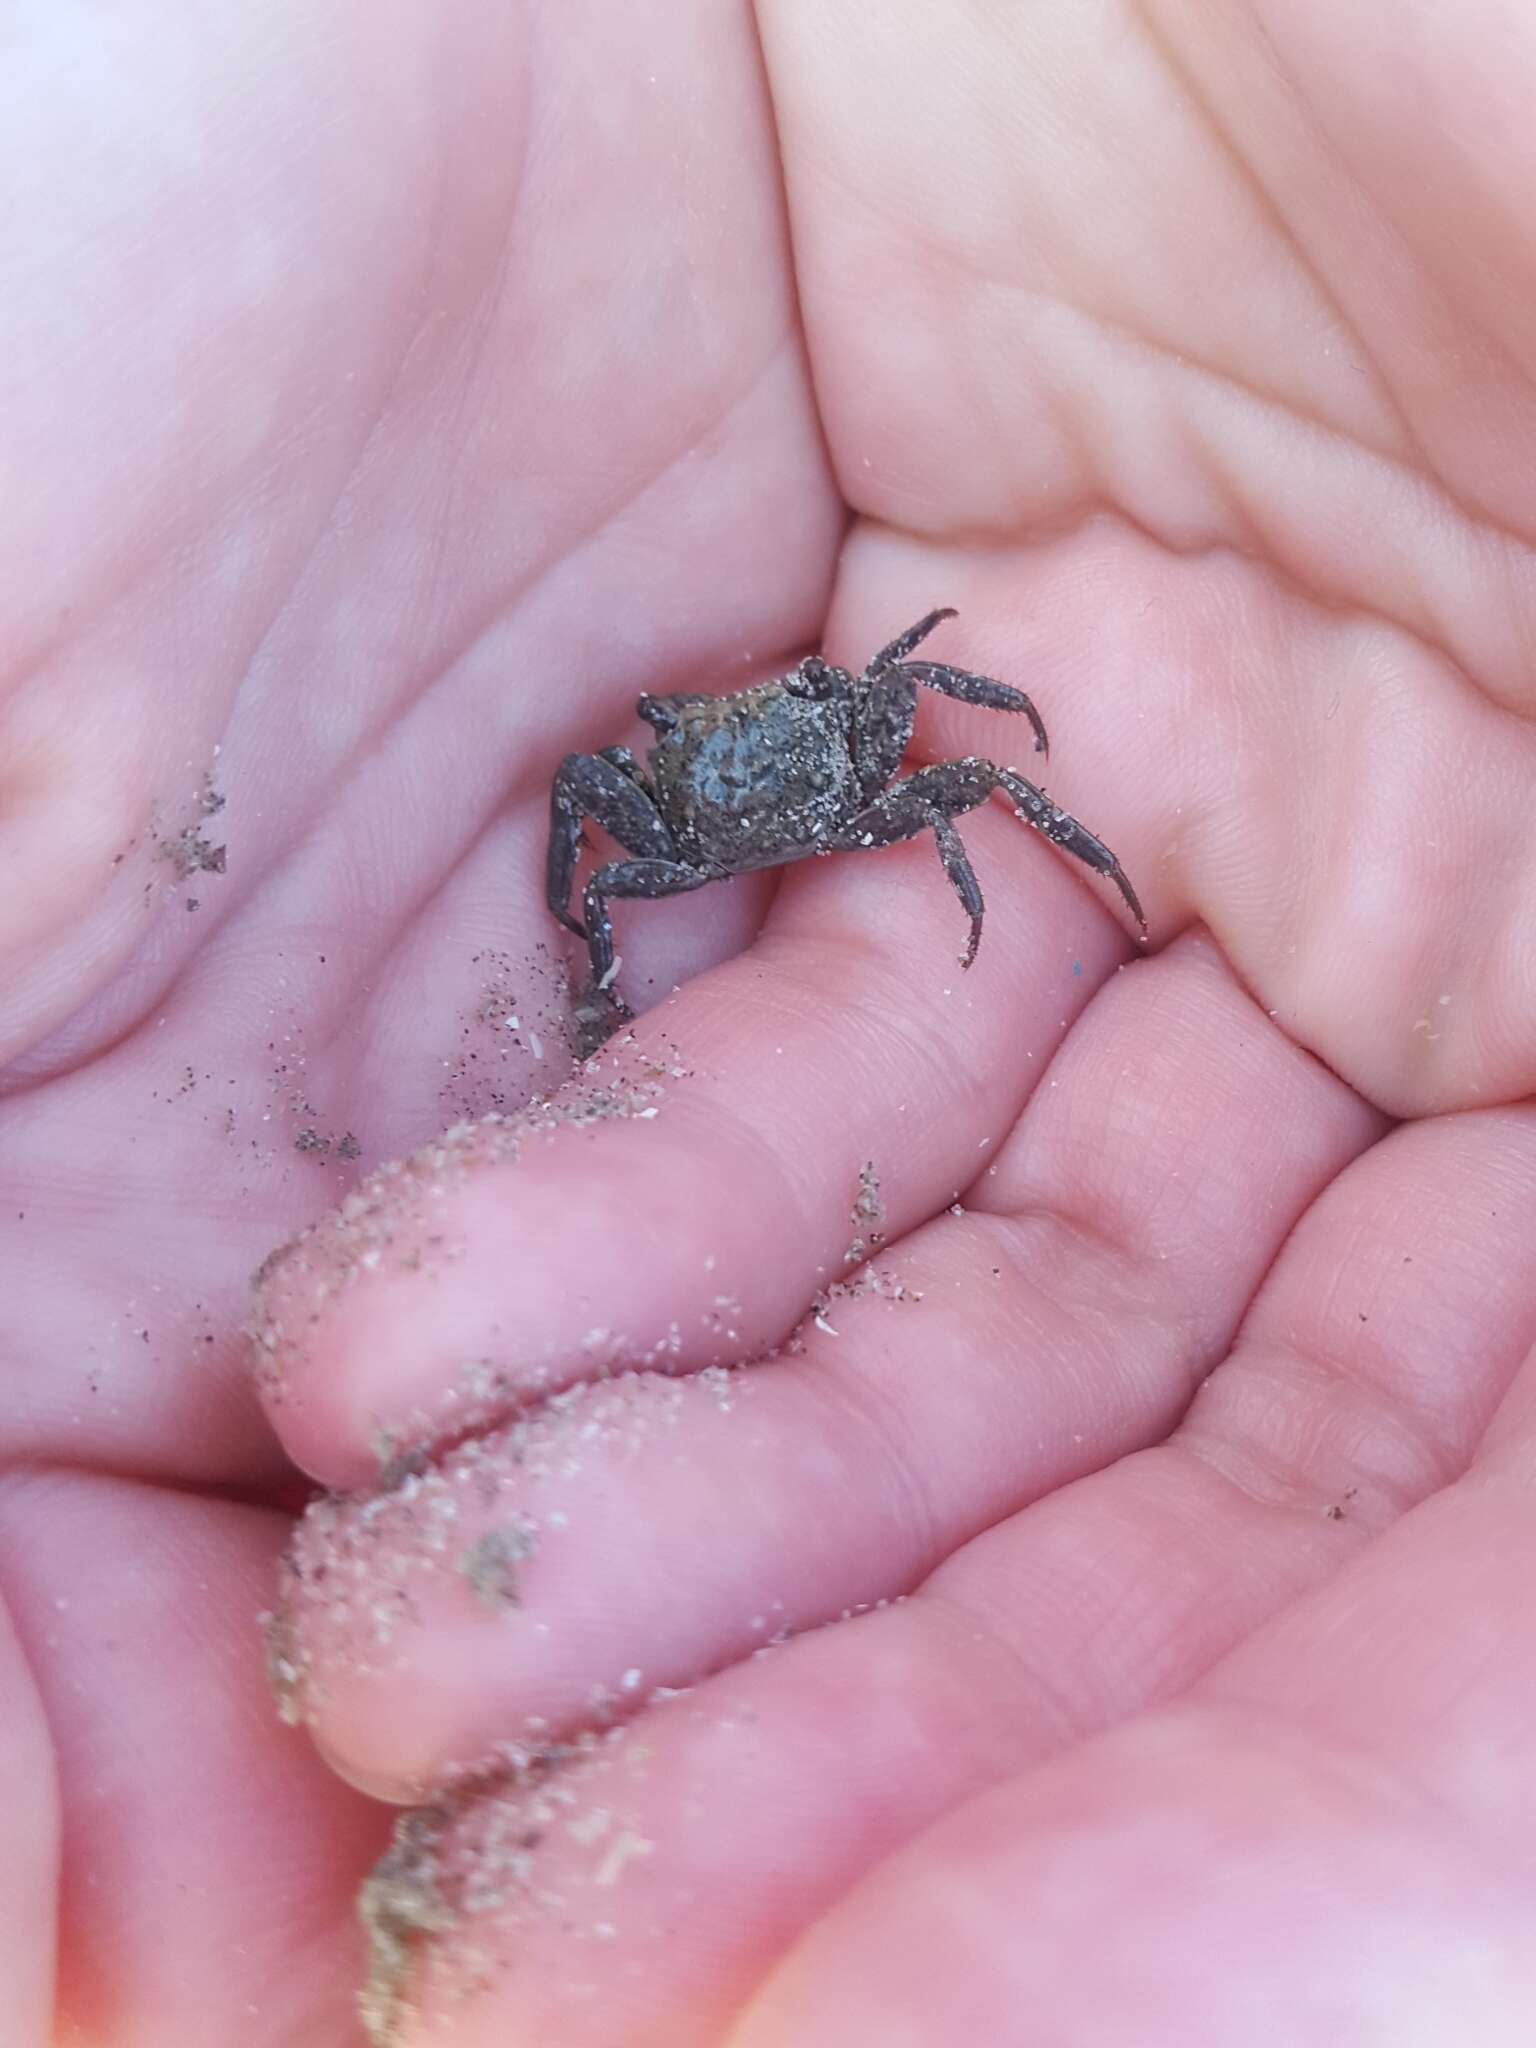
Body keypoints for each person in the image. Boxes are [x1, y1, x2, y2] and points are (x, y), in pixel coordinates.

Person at [3, 4, 1534, 2042]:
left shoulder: (877, 730)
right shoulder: (662, 771)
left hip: (804, 736)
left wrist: (980, 839)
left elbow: (978, 746)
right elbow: (604, 786)